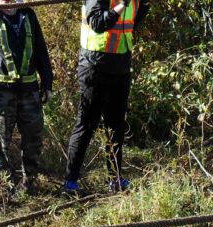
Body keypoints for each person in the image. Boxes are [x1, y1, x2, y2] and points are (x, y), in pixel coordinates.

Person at [63, 0, 149, 194]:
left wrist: (144, 5)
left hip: (121, 65)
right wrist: (121, 5)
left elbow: (132, 24)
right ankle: (70, 182)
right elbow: (97, 23)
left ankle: (115, 179)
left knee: (115, 125)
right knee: (86, 124)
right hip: (95, 65)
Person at [0, 0, 53, 196]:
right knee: (1, 142)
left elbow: (41, 51)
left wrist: (47, 84)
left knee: (33, 138)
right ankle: (7, 187)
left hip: (29, 90)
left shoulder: (29, 14)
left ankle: (29, 183)